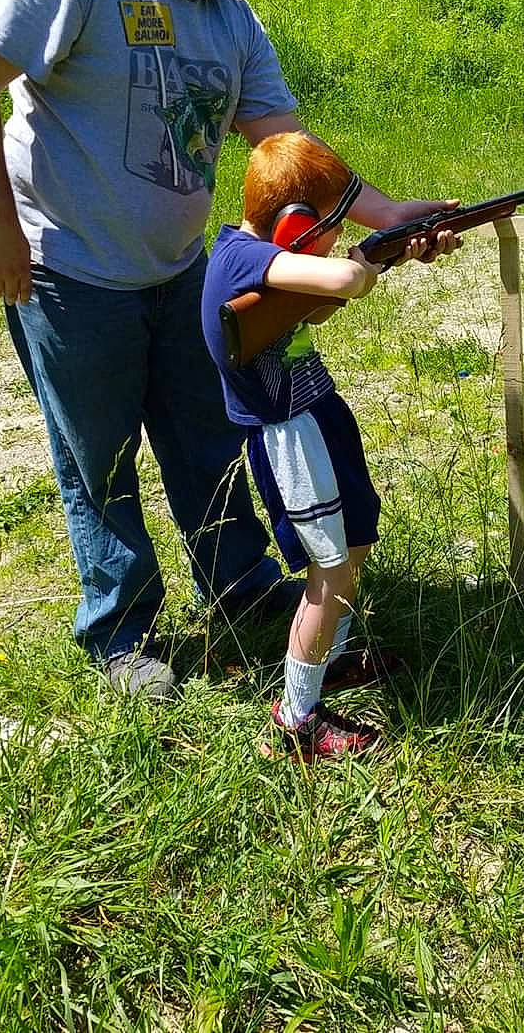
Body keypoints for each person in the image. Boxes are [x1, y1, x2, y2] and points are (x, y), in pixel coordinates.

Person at [0, 0, 458, 702]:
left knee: (208, 438)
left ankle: (244, 587)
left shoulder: (229, 15)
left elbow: (288, 148)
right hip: (68, 273)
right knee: (97, 459)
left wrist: (392, 211)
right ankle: (120, 633)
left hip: (182, 274)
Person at [201, 131, 455, 760]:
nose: (341, 237)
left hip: (316, 416)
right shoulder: (236, 260)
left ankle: (328, 661)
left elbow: (311, 308)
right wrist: (365, 264)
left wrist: (388, 251)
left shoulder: (269, 261)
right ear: (295, 226)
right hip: (290, 437)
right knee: (330, 567)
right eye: (333, 225)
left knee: (357, 539)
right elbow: (341, 276)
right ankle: (297, 716)